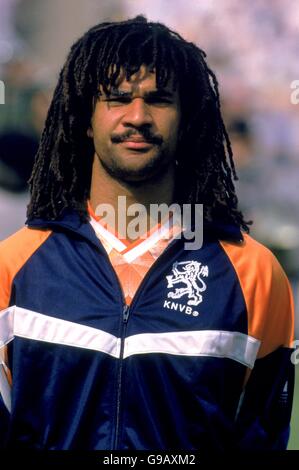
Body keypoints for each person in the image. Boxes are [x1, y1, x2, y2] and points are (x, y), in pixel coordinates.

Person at [0, 16, 294, 450]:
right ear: (86, 118)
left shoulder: (253, 275)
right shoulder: (14, 266)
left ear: (187, 119)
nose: (137, 117)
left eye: (159, 100)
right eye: (117, 98)